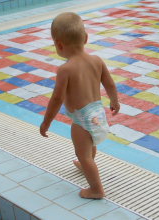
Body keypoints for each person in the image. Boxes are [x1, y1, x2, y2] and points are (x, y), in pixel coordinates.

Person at [39, 12, 120, 199]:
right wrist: (114, 102)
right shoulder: (97, 61)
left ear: (58, 44)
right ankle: (86, 166)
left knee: (83, 153)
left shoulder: (65, 69)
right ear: (85, 38)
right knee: (89, 148)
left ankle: (96, 189)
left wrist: (46, 123)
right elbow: (110, 84)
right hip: (98, 113)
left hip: (81, 118)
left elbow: (56, 100)